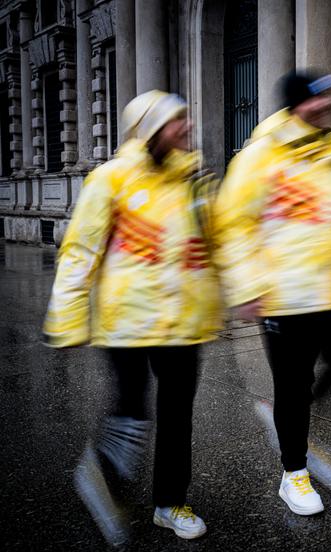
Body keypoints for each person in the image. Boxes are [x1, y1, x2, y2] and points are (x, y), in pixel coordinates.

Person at [43, 90, 222, 544]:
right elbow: (81, 250)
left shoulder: (194, 180)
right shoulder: (110, 179)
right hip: (127, 319)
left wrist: (225, 298)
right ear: (150, 129)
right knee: (132, 410)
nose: (186, 127)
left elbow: (211, 247)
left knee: (178, 414)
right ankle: (104, 475)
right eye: (175, 121)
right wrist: (67, 319)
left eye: (185, 119)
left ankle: (170, 503)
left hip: (183, 320)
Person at [213, 70, 331, 516]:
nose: (327, 104)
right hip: (283, 295)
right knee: (293, 384)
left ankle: (288, 417)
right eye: (318, 98)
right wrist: (246, 287)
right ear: (298, 104)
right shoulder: (261, 156)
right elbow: (232, 225)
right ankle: (293, 474)